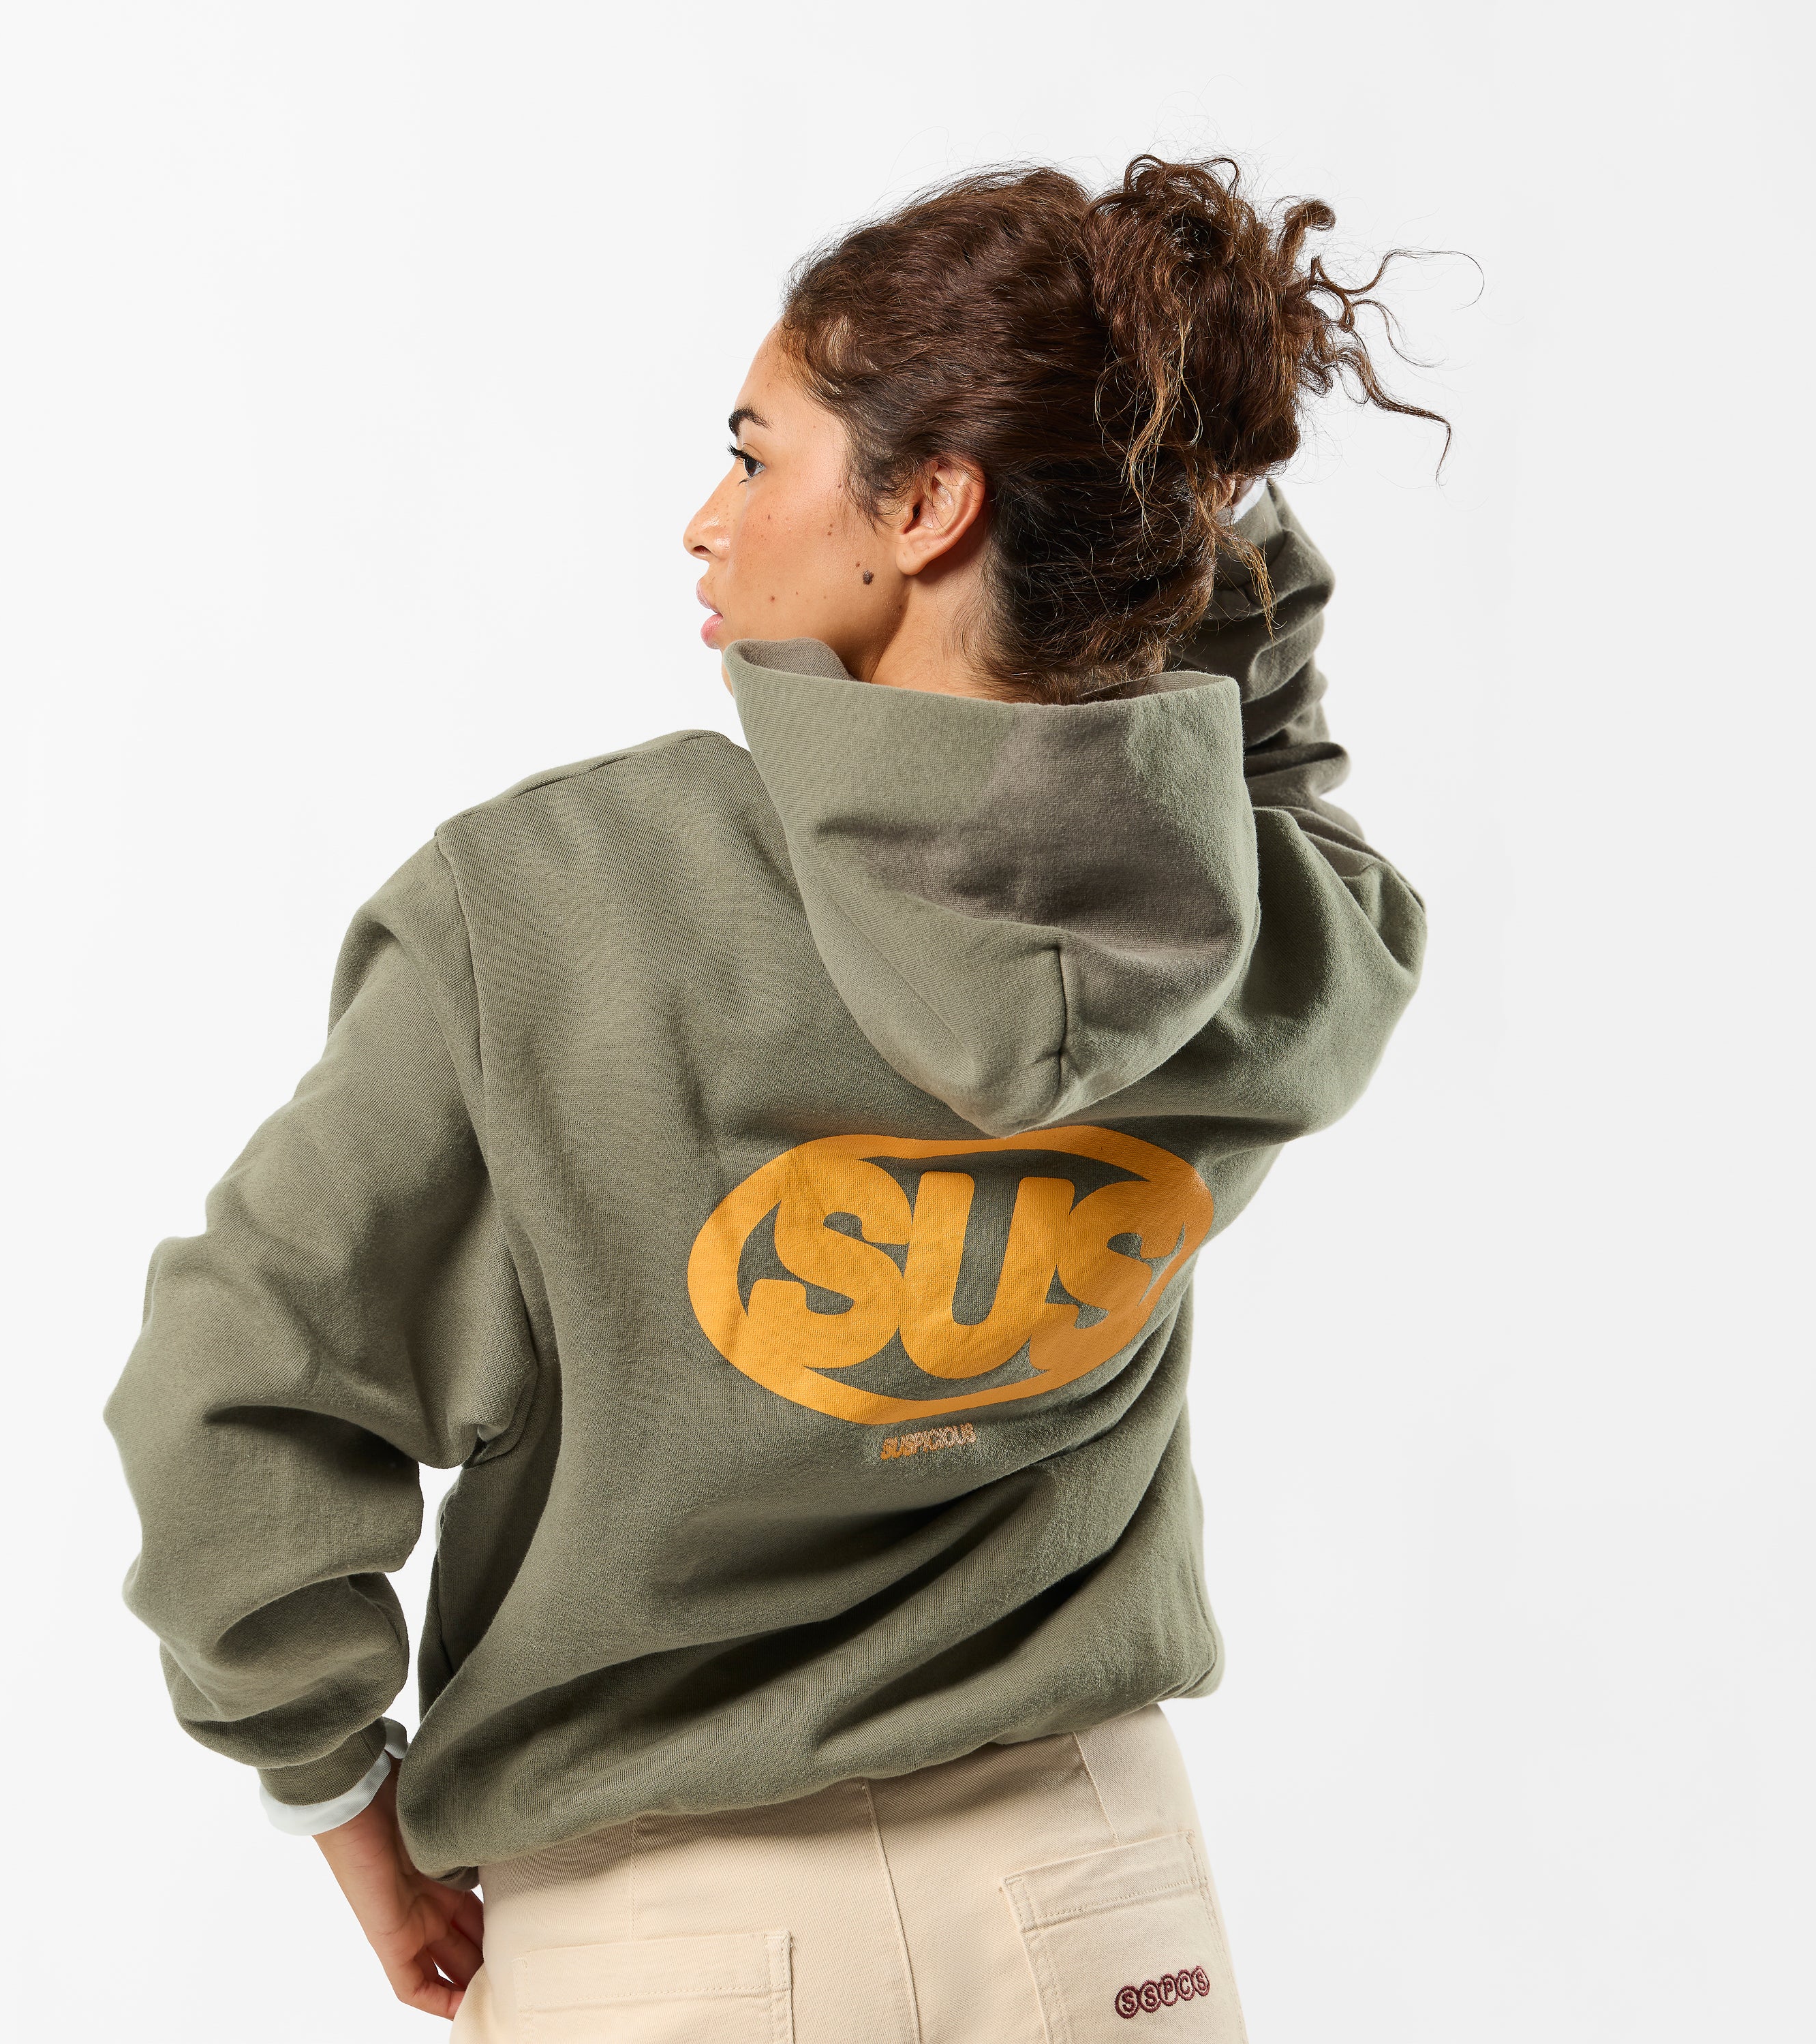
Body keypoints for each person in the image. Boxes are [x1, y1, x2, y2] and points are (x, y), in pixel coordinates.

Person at [107, 153, 1441, 2041]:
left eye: (753, 455)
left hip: (666, 1929)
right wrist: (1156, 510)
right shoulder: (1248, 922)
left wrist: (335, 1789)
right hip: (1096, 1892)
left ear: (930, 504)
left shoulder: (549, 909)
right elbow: (1270, 745)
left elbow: (228, 1400)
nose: (706, 520)